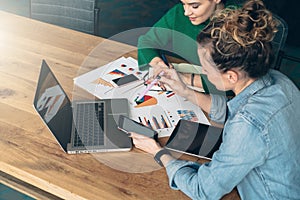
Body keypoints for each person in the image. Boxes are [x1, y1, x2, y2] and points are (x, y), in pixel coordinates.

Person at [131, 0, 300, 199]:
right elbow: (236, 111)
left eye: (207, 69)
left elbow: (203, 190)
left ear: (231, 77)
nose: (202, 71)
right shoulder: (282, 82)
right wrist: (186, 91)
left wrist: (158, 152)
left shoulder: (246, 127)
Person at [137, 0, 240, 94]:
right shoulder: (178, 13)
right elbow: (146, 41)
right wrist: (158, 64)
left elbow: (234, 83)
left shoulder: (240, 24)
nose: (186, 12)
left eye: (194, 6)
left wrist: (184, 78)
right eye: (183, 3)